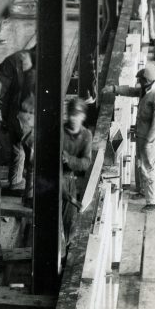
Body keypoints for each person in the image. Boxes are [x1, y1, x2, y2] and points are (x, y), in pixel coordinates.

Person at [105, 66, 155, 212]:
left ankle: (153, 202)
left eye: (140, 80)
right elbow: (131, 91)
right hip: (141, 135)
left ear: (146, 81)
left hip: (149, 139)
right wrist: (114, 89)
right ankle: (142, 191)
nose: (138, 82)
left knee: (148, 168)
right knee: (139, 164)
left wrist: (149, 143)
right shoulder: (145, 91)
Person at [0, 48, 37, 196]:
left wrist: (5, 120)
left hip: (14, 117)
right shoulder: (33, 73)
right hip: (25, 120)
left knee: (18, 149)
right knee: (33, 157)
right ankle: (30, 195)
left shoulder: (25, 67)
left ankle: (15, 182)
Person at [61, 97, 94, 240]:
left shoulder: (86, 135)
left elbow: (86, 162)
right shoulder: (59, 131)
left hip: (68, 179)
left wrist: (69, 159)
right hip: (52, 178)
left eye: (77, 115)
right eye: (72, 114)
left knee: (69, 222)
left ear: (83, 116)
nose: (74, 118)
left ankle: (64, 252)